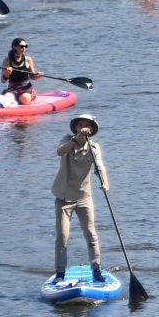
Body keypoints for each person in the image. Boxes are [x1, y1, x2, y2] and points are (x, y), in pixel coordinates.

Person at [52, 115, 110, 283]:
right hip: (63, 197)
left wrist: (105, 182)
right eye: (81, 125)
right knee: (62, 236)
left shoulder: (94, 147)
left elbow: (100, 167)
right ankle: (60, 274)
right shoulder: (66, 141)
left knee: (91, 234)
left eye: (87, 126)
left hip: (84, 197)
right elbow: (59, 151)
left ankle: (96, 270)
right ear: (76, 127)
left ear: (91, 130)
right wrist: (76, 139)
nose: (84, 128)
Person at [1, 37, 40, 104]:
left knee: (25, 99)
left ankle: (25, 97)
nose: (24, 48)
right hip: (12, 88)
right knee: (7, 99)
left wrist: (37, 76)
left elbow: (32, 77)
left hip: (26, 88)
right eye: (21, 46)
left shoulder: (28, 59)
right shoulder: (7, 61)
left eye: (25, 46)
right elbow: (3, 81)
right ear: (14, 47)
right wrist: (7, 73)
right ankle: (15, 99)